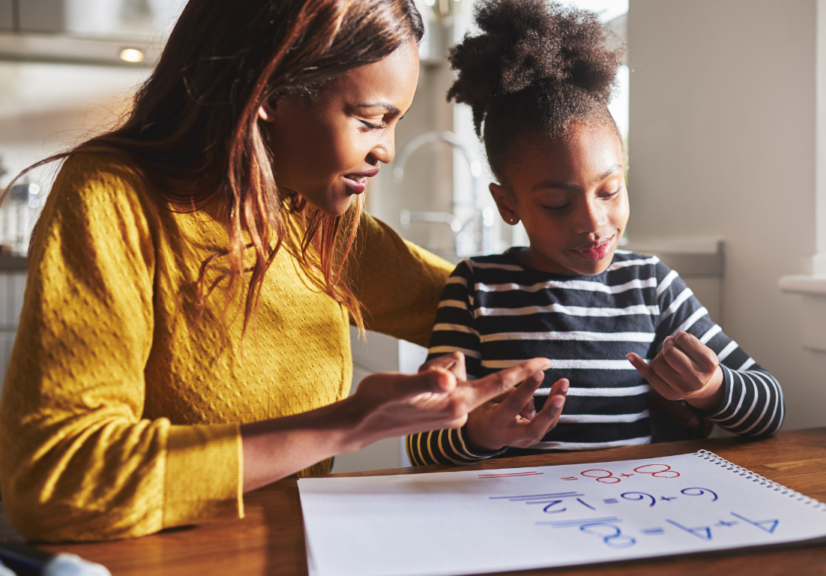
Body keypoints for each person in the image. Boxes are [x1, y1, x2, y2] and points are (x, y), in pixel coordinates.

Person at [0, 0, 550, 542]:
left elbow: (491, 310)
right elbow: (57, 482)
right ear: (271, 90)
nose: (387, 149)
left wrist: (630, 309)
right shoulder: (113, 196)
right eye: (370, 120)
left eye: (394, 122)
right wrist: (348, 422)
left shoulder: (315, 216)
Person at [406, 0, 784, 466]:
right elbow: (421, 442)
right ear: (508, 204)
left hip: (631, 513)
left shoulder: (650, 284)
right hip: (513, 517)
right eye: (557, 204)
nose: (592, 223)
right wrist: (479, 434)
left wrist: (711, 389)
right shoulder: (475, 287)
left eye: (609, 191)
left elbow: (771, 408)